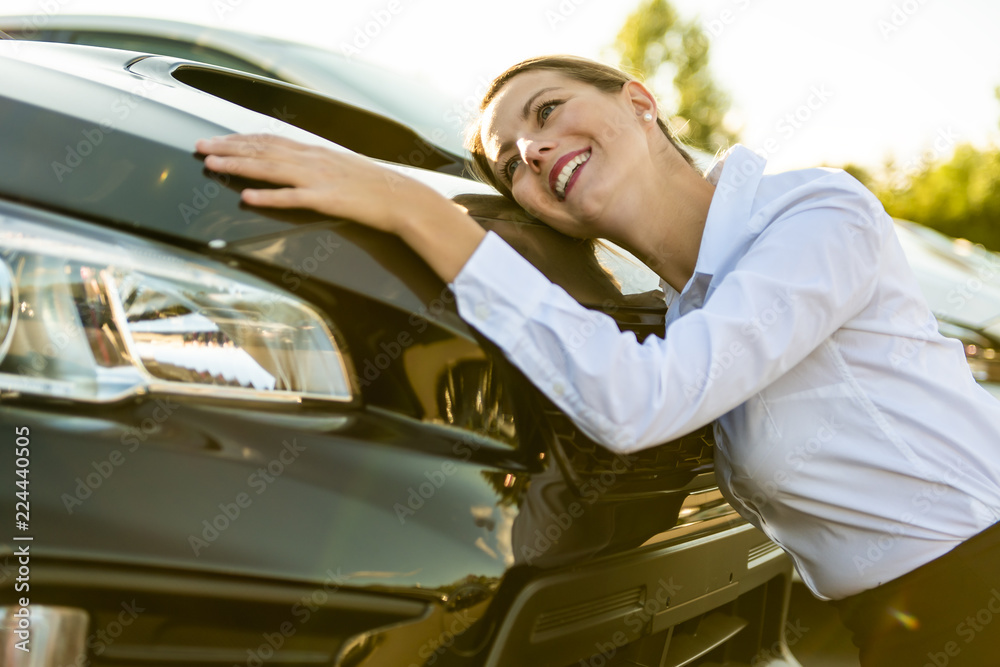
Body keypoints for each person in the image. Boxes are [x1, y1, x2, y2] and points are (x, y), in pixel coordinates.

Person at [196, 55, 1000, 666]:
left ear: (640, 101)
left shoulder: (814, 212)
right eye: (510, 164)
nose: (535, 152)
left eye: (547, 112)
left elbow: (638, 401)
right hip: (899, 627)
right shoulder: (681, 311)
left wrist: (414, 211)